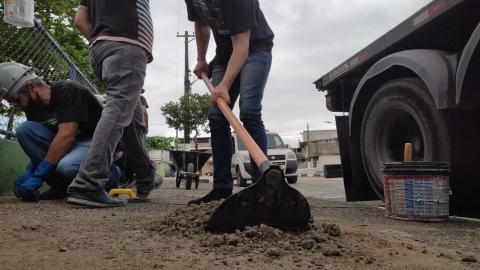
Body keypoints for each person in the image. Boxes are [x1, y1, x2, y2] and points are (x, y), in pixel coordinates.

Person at [66, 0, 155, 207]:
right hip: (127, 48)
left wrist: (102, 41)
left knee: (132, 121)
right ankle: (87, 184)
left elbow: (80, 20)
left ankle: (145, 177)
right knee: (117, 112)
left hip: (100, 49)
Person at [185, 0, 274, 204]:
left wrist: (224, 85)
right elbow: (200, 23)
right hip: (224, 55)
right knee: (217, 116)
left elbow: (242, 45)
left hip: (256, 48)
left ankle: (262, 189)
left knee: (249, 111)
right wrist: (201, 58)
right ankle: (222, 188)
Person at [0, 62, 109, 201]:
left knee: (67, 167)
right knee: (25, 129)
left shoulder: (69, 90)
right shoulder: (33, 105)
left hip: (93, 143)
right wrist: (28, 173)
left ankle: (108, 178)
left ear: (31, 87)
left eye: (16, 100)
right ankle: (60, 187)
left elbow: (66, 136)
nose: (18, 107)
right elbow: (46, 149)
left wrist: (37, 177)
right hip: (69, 146)